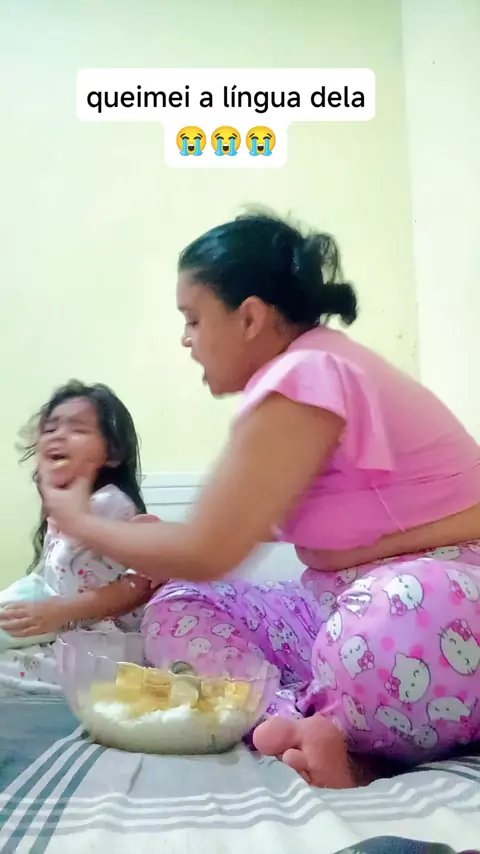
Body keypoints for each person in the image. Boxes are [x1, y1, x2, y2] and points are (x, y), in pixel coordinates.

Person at [39, 212, 480, 786]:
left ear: (249, 317)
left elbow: (208, 549)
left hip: (435, 599)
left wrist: (76, 516)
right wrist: (156, 539)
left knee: (390, 617)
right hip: (330, 603)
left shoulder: (308, 372)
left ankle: (348, 742)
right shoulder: (308, 376)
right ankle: (291, 717)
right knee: (181, 603)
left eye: (193, 319)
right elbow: (217, 541)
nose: (186, 339)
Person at [0, 380, 153, 690]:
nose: (59, 435)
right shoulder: (63, 513)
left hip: (102, 645)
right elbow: (50, 582)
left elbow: (140, 584)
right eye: (50, 428)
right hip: (65, 631)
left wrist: (63, 612)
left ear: (112, 454)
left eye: (78, 429)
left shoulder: (111, 504)